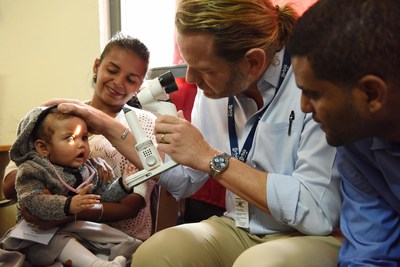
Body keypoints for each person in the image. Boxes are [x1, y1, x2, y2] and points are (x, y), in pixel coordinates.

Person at [45, 0, 343, 266]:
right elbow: (184, 180)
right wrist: (108, 126)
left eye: (204, 70)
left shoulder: (310, 85)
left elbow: (316, 212)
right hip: (239, 227)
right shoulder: (215, 91)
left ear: (252, 62)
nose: (189, 79)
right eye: (188, 64)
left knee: (258, 263)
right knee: (155, 252)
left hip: (307, 236)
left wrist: (211, 158)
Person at [2, 32, 156, 241]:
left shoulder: (143, 125)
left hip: (118, 239)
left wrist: (73, 211)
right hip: (44, 236)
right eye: (112, 70)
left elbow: (133, 204)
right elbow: (11, 188)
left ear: (139, 86)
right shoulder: (57, 115)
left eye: (131, 79)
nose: (118, 82)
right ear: (96, 66)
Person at [286, 0, 400, 265]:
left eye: (313, 94)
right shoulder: (357, 140)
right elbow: (370, 252)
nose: (303, 107)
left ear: (371, 94)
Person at [1, 106, 133, 267]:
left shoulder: (88, 170)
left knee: (111, 236)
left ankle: (129, 252)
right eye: (70, 138)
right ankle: (100, 265)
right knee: (61, 242)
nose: (81, 145)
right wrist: (69, 205)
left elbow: (99, 199)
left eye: (84, 138)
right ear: (43, 148)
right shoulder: (32, 170)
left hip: (73, 227)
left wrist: (123, 185)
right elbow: (33, 201)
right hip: (37, 236)